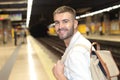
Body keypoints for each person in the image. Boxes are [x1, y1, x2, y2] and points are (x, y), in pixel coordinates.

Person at [52, 6, 92, 80]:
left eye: (65, 21)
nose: (60, 26)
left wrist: (59, 76)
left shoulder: (76, 53)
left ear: (75, 24)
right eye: (57, 23)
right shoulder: (81, 42)